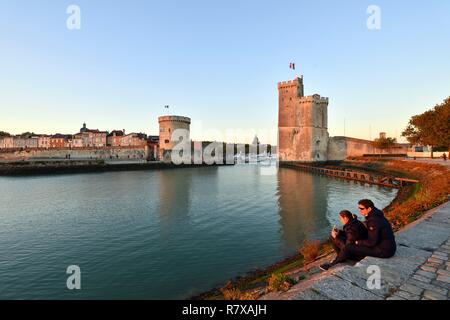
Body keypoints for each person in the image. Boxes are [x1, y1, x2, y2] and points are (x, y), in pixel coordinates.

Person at [320, 199, 396, 271]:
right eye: (359, 208)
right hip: (386, 246)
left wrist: (357, 242)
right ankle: (342, 256)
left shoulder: (374, 221)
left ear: (369, 209)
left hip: (383, 251)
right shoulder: (375, 216)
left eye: (362, 208)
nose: (359, 210)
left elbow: (372, 242)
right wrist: (341, 233)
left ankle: (331, 264)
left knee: (348, 247)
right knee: (347, 243)